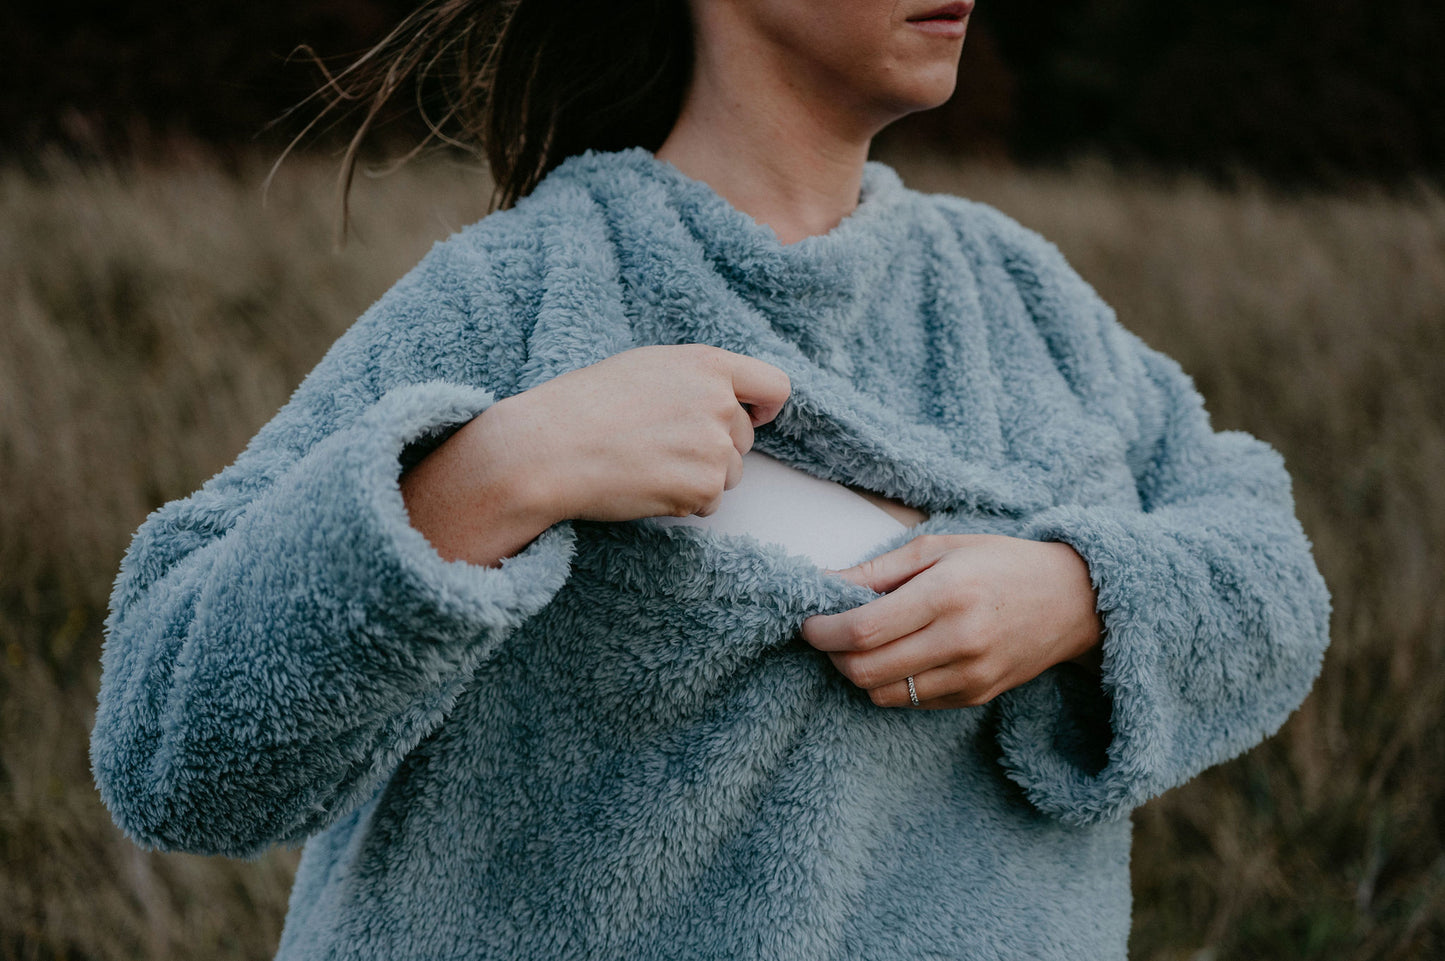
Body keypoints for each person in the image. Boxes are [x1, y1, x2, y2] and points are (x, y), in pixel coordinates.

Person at [89, 0, 1333, 958]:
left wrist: (1080, 593)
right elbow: (169, 748)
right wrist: (485, 478)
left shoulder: (1021, 302)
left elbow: (1269, 574)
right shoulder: (521, 296)